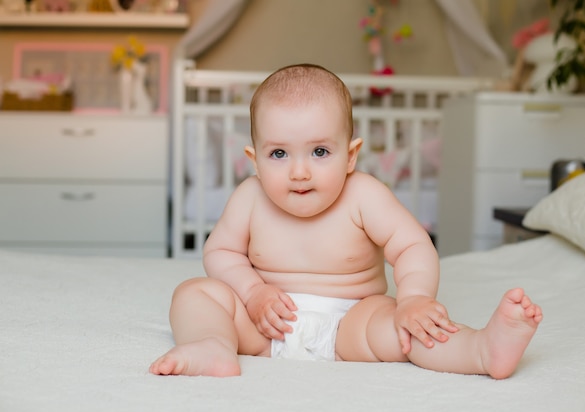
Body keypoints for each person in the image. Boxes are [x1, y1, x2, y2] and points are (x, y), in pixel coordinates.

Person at [150, 64, 542, 379]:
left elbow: (411, 246)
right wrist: (252, 293)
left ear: (350, 156)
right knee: (194, 293)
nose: (299, 172)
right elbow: (220, 252)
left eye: (320, 151)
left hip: (351, 324)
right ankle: (213, 346)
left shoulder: (364, 194)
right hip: (266, 328)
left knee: (406, 329)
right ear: (254, 161)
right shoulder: (249, 197)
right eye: (279, 154)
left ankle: (480, 350)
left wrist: (414, 298)